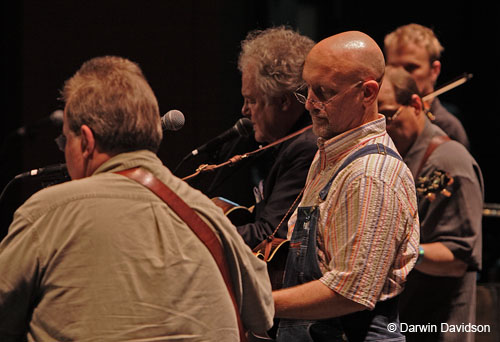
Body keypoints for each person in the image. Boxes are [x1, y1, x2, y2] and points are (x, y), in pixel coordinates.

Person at [0, 56, 274, 341]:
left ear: (86, 141)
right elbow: (262, 312)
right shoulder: (209, 216)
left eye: (64, 140)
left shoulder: (48, 211)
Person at [272, 31, 420, 342]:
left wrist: (261, 304)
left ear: (368, 92)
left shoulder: (370, 175)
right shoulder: (330, 153)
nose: (310, 103)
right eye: (308, 88)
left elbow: (350, 292)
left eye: (324, 92)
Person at [378, 66, 483, 342]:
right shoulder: (395, 157)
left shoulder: (449, 162)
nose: (382, 128)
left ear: (415, 104)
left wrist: (399, 250)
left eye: (388, 115)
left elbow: (457, 258)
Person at [200, 26, 318, 249]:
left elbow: (269, 235)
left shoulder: (305, 148)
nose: (244, 110)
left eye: (252, 100)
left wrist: (196, 235)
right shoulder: (290, 143)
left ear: (284, 101)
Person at [384, 23, 470, 149]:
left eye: (411, 68)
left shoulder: (447, 127)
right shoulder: (381, 118)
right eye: (394, 67)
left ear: (434, 70)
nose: (401, 75)